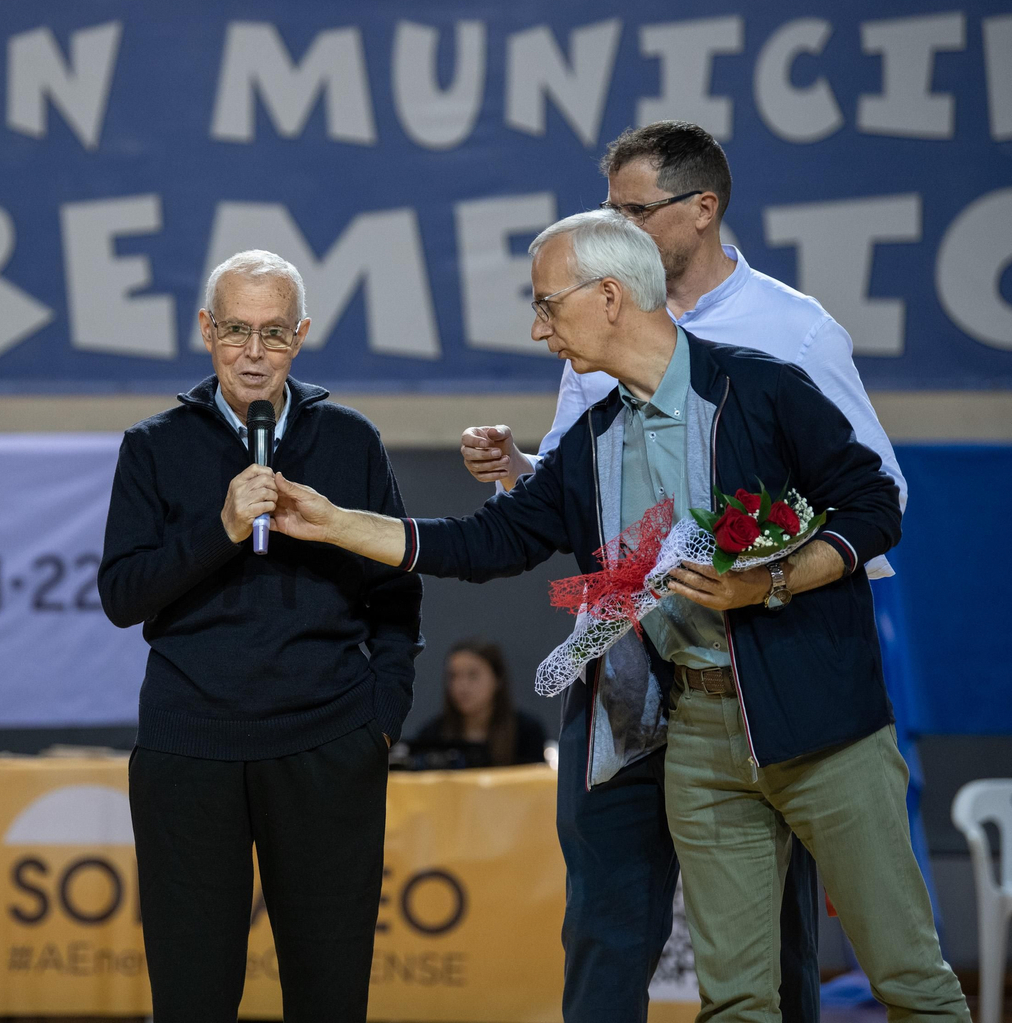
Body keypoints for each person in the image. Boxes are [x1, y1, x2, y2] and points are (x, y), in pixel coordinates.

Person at [270, 209, 970, 1022]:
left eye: (546, 305)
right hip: (698, 738)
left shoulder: (764, 387)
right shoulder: (593, 438)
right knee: (737, 1003)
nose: (538, 330)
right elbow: (489, 541)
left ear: (609, 296)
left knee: (911, 982)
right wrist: (335, 522)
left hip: (822, 726)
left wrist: (772, 581)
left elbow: (875, 504)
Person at [457, 121, 913, 1022]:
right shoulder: (593, 331)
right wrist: (516, 468)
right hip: (622, 666)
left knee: (777, 926)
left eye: (632, 209)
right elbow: (567, 490)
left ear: (702, 209)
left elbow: (877, 492)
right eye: (608, 210)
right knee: (606, 907)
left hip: (753, 668)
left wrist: (766, 581)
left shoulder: (793, 332)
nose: (614, 224)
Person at [98, 250, 423, 1023]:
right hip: (188, 749)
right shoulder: (154, 445)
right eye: (236, 330)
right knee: (192, 996)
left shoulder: (351, 440)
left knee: (330, 993)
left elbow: (397, 593)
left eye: (273, 334)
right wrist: (222, 528)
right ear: (205, 331)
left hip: (328, 743)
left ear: (302, 335)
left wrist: (379, 722)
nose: (252, 352)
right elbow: (122, 597)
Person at [406, 640, 546, 769]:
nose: (462, 686)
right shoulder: (432, 735)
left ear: (498, 679)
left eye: (473, 675)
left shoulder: (526, 733)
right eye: (453, 676)